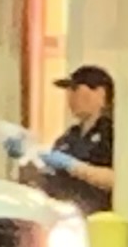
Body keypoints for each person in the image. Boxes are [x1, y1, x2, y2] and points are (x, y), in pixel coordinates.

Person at [29, 63, 114, 208]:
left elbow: (117, 180)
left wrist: (75, 166)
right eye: (68, 90)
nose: (70, 97)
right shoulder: (70, 135)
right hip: (62, 213)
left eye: (75, 89)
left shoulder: (111, 133)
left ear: (100, 93)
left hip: (93, 215)